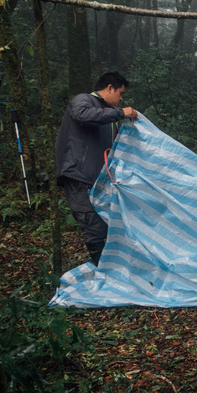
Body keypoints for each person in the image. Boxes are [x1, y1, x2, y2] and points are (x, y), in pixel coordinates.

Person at [55, 72, 138, 265]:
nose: (121, 99)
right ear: (110, 88)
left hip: (99, 181)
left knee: (106, 225)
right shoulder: (84, 100)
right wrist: (120, 112)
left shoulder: (107, 117)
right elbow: (82, 115)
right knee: (93, 227)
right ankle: (104, 272)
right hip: (80, 177)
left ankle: (110, 270)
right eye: (120, 93)